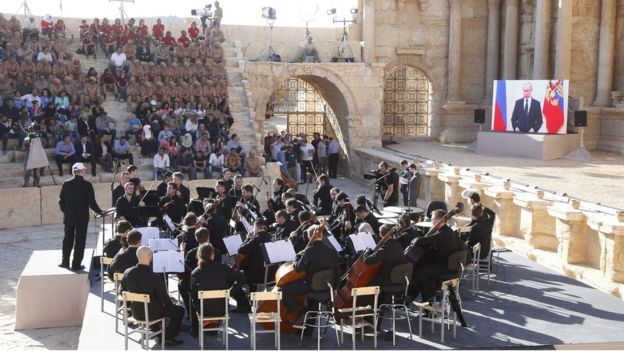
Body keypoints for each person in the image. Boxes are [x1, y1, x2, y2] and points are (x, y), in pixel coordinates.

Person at [122, 246, 184, 346]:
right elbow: (164, 298)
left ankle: (158, 331)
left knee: (157, 306)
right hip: (152, 313)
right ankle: (167, 337)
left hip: (136, 312)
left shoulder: (127, 272)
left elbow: (122, 292)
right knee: (180, 311)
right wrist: (171, 304)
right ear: (150, 256)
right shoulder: (155, 276)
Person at [191, 243, 249, 336]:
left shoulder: (195, 273)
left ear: (199, 255)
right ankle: (211, 325)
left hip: (203, 311)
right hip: (222, 309)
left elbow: (194, 297)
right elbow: (241, 279)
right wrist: (230, 292)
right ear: (212, 254)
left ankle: (199, 328)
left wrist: (198, 308)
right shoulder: (223, 268)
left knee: (193, 299)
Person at [282, 224, 339, 316]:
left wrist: (297, 257)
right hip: (328, 287)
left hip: (312, 286)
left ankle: (300, 311)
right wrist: (335, 288)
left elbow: (298, 269)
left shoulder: (309, 251)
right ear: (321, 235)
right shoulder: (332, 250)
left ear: (309, 236)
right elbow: (337, 271)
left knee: (284, 290)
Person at [409, 209, 461, 303]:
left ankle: (430, 296)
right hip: (444, 262)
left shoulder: (443, 233)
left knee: (420, 272)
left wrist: (415, 240)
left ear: (438, 220)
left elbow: (420, 241)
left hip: (445, 266)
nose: (431, 221)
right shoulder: (445, 230)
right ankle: (424, 298)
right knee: (422, 271)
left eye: (432, 219)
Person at [58, 163, 103, 270]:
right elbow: (92, 202)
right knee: (80, 240)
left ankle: (65, 262)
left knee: (67, 239)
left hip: (69, 217)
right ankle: (76, 264)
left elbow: (61, 201)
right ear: (81, 171)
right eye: (84, 170)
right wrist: (100, 211)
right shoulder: (87, 185)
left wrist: (66, 212)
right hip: (82, 218)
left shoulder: (66, 184)